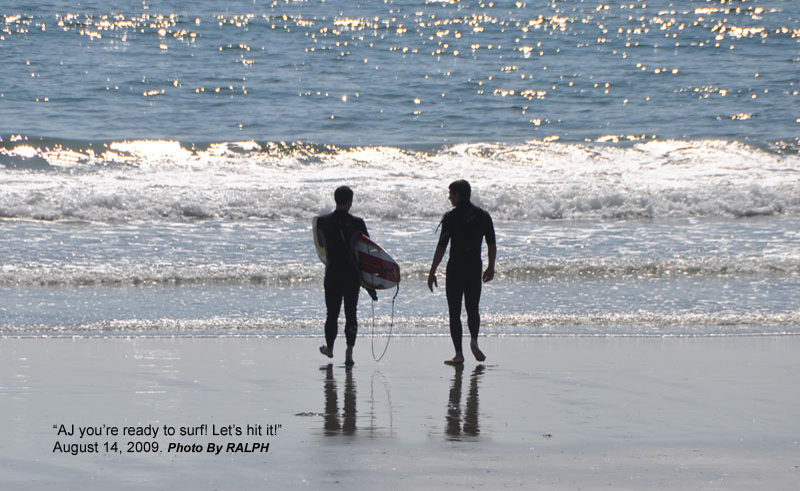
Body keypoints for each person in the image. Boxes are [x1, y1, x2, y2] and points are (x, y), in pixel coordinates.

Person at [428, 180, 496, 366]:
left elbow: (442, 246)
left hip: (456, 267)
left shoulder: (451, 217)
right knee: (473, 308)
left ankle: (459, 354)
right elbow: (491, 243)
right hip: (474, 266)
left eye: (451, 193)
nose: (449, 197)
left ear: (458, 195)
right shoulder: (483, 215)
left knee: (454, 312)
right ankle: (474, 341)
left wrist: (433, 271)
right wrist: (491, 267)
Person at [315, 186, 373, 367]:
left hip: (332, 272)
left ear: (335, 200)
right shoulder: (358, 223)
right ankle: (349, 353)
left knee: (331, 313)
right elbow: (366, 252)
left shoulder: (322, 222)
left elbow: (322, 247)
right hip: (351, 273)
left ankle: (330, 348)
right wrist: (369, 283)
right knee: (351, 312)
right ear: (350, 202)